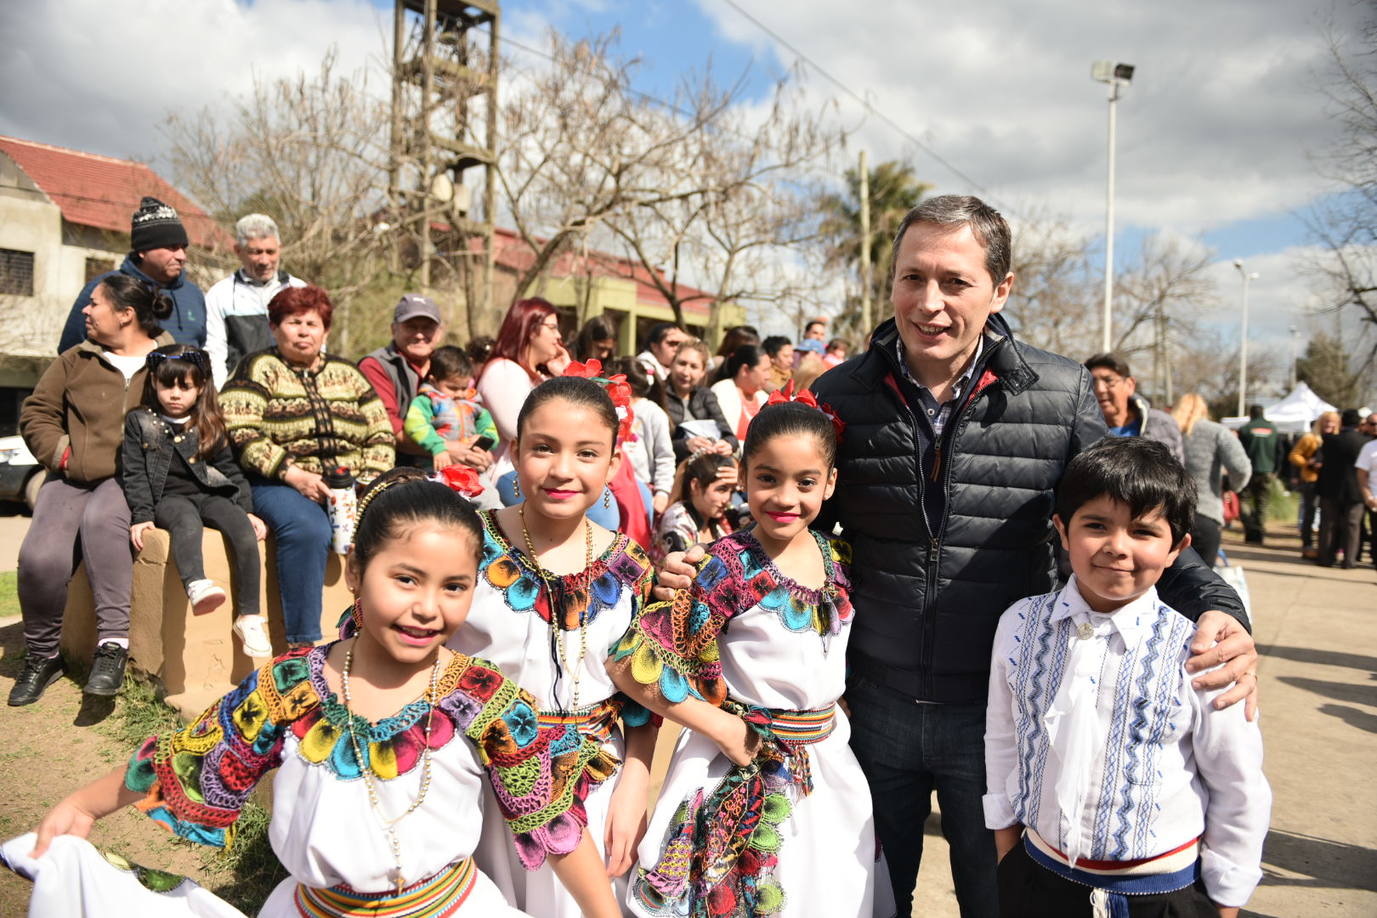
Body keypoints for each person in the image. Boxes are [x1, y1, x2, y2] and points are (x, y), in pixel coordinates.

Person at [720, 195, 1255, 917]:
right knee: (863, 897)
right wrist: (697, 561)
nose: (929, 302)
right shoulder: (839, 395)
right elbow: (786, 525)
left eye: (954, 281)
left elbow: (1127, 524)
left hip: (1001, 712)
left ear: (1001, 288)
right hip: (869, 706)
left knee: (998, 899)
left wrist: (1219, 609)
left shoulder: (1060, 394)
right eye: (912, 278)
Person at [9, 470, 623, 917]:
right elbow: (191, 756)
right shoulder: (291, 686)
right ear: (355, 572)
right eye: (404, 579)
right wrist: (85, 806)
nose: (427, 608)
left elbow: (551, 818)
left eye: (454, 586)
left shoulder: (487, 699)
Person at [612, 398, 892, 918]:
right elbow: (632, 662)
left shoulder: (841, 560)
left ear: (830, 483)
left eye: (805, 483)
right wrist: (721, 729)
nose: (785, 498)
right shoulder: (725, 565)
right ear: (743, 476)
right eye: (768, 478)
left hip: (828, 769)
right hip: (739, 768)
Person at [985, 437, 1269, 918]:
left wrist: (1225, 901)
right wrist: (1008, 847)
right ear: (1062, 530)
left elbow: (1237, 785)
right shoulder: (1019, 625)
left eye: (1143, 532)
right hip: (1040, 877)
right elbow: (1003, 736)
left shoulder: (1203, 651)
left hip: (1160, 894)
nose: (1118, 548)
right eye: (1096, 525)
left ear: (1177, 547)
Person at [447, 377, 658, 917]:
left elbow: (642, 695)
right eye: (543, 448)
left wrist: (636, 780)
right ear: (514, 453)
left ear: (612, 465)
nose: (563, 470)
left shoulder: (630, 565)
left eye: (587, 453)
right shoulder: (465, 545)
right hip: (482, 783)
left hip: (597, 786)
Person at [11, 276, 176, 705]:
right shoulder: (74, 360)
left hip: (130, 480)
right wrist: (62, 454)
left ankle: (112, 648)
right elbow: (36, 413)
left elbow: (197, 412)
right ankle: (44, 655)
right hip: (71, 478)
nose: (85, 311)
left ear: (125, 314)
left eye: (94, 304)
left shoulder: (169, 359)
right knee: (37, 558)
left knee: (103, 522)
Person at [219, 285, 393, 649]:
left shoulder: (348, 373)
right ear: (274, 327)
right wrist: (293, 474)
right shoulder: (257, 367)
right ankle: (303, 647)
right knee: (307, 529)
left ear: (325, 331)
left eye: (312, 323)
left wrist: (367, 483)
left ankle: (380, 639)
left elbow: (380, 432)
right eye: (293, 322)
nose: (303, 331)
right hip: (277, 482)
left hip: (351, 485)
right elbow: (240, 430)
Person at [119, 345, 270, 657]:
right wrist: (142, 514)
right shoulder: (140, 421)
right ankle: (197, 584)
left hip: (210, 494)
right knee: (186, 523)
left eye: (184, 387)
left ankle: (250, 617)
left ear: (200, 387)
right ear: (154, 384)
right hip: (169, 499)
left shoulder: (210, 420)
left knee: (242, 530)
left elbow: (230, 469)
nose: (175, 394)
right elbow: (134, 473)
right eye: (167, 385)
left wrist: (247, 510)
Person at [58, 197, 206, 352]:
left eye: (183, 248)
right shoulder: (104, 289)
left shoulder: (193, 295)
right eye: (172, 248)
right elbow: (70, 352)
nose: (181, 256)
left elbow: (203, 347)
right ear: (143, 251)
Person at [359, 294, 480, 472]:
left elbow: (472, 411)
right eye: (411, 326)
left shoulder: (450, 364)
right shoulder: (376, 366)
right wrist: (445, 448)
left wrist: (478, 450)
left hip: (452, 464)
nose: (419, 334)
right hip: (394, 468)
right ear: (394, 329)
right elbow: (390, 429)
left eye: (428, 327)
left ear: (439, 333)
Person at [202, 213, 308, 388]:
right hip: (241, 392)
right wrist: (220, 397)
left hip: (292, 391)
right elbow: (214, 354)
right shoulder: (220, 294)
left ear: (280, 248)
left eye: (270, 252)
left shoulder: (299, 289)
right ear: (238, 251)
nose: (264, 260)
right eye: (256, 252)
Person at [477, 298, 571, 478]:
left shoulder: (543, 376)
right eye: (552, 328)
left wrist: (565, 375)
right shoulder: (503, 370)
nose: (559, 336)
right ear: (530, 329)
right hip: (511, 472)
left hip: (547, 468)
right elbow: (520, 430)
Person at [1169, 393, 1252, 567]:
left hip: (1165, 513)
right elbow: (1241, 468)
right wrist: (1232, 486)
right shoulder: (1217, 432)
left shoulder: (1165, 431)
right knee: (1200, 581)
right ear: (1204, 410)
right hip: (1204, 512)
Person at [404, 345, 499, 472]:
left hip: (470, 466)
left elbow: (489, 427)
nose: (459, 394)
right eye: (452, 388)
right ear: (433, 381)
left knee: (489, 492)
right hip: (436, 465)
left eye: (464, 388)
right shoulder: (427, 400)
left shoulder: (474, 402)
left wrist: (483, 440)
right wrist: (438, 447)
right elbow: (415, 425)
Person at [1083, 354, 1184, 463]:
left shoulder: (1163, 424)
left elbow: (1179, 475)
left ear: (1130, 385)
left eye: (1108, 380)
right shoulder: (1083, 430)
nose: (1100, 389)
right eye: (1092, 382)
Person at [611, 356, 676, 515]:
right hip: (610, 488)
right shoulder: (608, 409)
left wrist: (662, 492)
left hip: (640, 491)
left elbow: (665, 456)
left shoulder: (652, 413)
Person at [652, 450, 737, 561]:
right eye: (721, 489)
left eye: (732, 492)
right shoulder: (677, 520)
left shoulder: (718, 518)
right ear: (696, 485)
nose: (727, 500)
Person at [662, 338, 736, 462]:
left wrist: (727, 444)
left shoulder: (706, 395)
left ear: (703, 371)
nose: (686, 372)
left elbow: (729, 435)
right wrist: (685, 444)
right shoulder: (658, 394)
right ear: (672, 364)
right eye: (682, 363)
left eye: (694, 367)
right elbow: (653, 444)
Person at [1316, 408, 1367, 568]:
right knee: (1352, 525)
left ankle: (1326, 558)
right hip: (1356, 489)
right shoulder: (1364, 442)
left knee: (1328, 524)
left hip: (1330, 488)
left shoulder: (1329, 440)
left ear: (1342, 422)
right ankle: (1349, 560)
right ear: (1359, 423)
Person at [1288, 411, 1339, 559]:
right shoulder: (1309, 438)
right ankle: (1307, 544)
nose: (1329, 425)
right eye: (1326, 422)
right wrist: (1307, 463)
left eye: (1332, 422)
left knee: (1327, 516)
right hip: (1311, 480)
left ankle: (1324, 546)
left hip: (1330, 482)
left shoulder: (1337, 438)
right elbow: (1294, 455)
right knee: (1309, 513)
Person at [1235, 405, 1283, 545]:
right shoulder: (1273, 429)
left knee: (1243, 500)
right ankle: (1259, 532)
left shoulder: (1245, 429)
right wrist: (1276, 470)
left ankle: (1250, 528)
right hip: (1267, 472)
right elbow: (1280, 452)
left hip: (1247, 472)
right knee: (1262, 503)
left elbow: (1238, 451)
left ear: (1250, 413)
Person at [710, 345, 770, 443]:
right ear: (745, 370)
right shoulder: (723, 391)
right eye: (764, 370)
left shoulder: (763, 396)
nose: (768, 376)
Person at [635, 322, 689, 386]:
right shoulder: (643, 364)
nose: (677, 348)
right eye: (672, 343)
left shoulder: (676, 367)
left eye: (680, 344)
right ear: (655, 347)